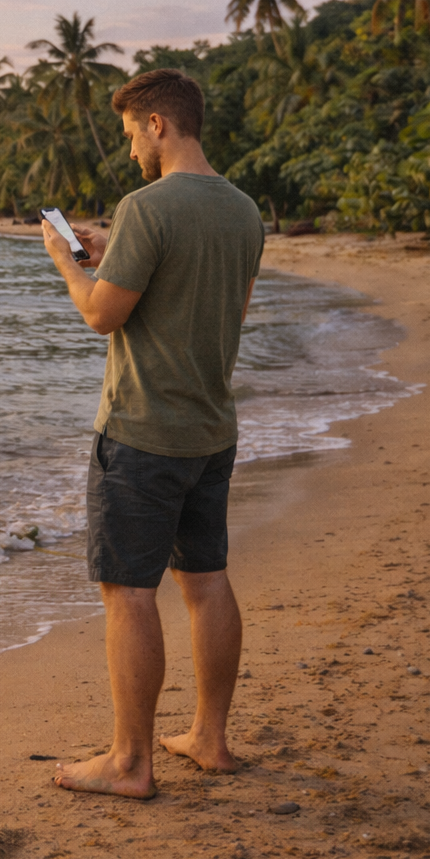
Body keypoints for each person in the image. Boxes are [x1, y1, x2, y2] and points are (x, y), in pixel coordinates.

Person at [38, 68, 266, 799]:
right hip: (210, 428)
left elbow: (102, 316)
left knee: (128, 593)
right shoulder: (243, 211)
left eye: (133, 131)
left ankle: (131, 761)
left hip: (141, 431)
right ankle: (210, 738)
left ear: (159, 125)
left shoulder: (147, 204)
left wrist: (68, 264)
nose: (132, 145)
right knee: (206, 581)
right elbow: (221, 312)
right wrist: (118, 252)